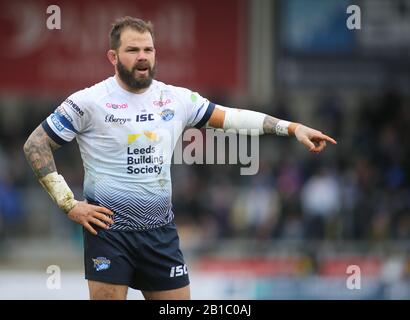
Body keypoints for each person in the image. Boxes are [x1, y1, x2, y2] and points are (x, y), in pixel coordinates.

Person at [23, 16, 337, 300]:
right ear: (113, 56)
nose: (143, 56)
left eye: (148, 49)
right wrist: (69, 204)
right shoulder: (88, 101)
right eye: (133, 50)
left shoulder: (176, 98)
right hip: (108, 232)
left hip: (160, 234)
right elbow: (36, 145)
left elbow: (233, 118)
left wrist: (292, 128)